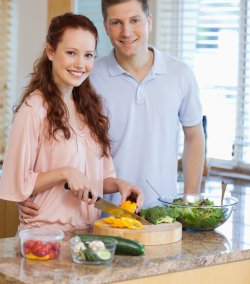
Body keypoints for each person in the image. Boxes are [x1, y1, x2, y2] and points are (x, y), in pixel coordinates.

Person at [17, 0, 205, 217]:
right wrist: (24, 193)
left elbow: (195, 137)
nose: (126, 32)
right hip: (102, 214)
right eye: (116, 23)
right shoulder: (87, 77)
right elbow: (51, 139)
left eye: (135, 20)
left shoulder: (180, 74)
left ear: (149, 21)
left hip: (163, 212)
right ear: (106, 27)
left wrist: (189, 202)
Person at [0, 12, 143, 231]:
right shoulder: (34, 108)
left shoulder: (90, 109)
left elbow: (97, 180)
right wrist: (64, 172)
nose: (80, 64)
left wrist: (119, 184)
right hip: (44, 236)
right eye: (71, 53)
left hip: (86, 234)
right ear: (51, 51)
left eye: (88, 55)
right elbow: (17, 182)